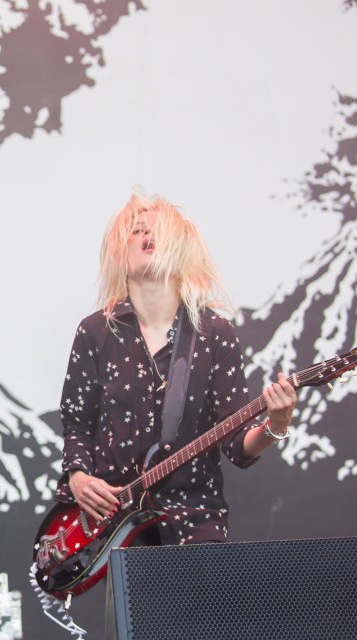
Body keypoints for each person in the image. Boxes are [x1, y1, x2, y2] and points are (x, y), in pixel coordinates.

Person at [55, 192, 297, 546]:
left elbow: (237, 444)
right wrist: (78, 478)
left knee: (199, 602)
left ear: (180, 248)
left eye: (159, 231)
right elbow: (77, 422)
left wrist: (276, 424)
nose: (147, 236)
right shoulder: (95, 332)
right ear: (119, 253)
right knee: (133, 603)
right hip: (118, 522)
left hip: (195, 518)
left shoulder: (215, 334)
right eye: (136, 231)